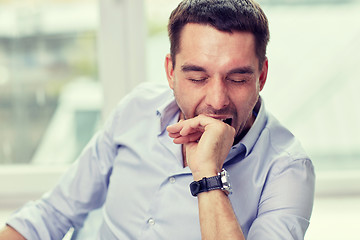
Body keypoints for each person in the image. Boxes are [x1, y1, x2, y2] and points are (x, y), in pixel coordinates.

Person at [0, 0, 315, 239]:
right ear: (170, 72)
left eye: (236, 79)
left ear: (261, 76)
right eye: (197, 77)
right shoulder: (136, 110)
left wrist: (208, 174)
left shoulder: (288, 169)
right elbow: (51, 214)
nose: (217, 101)